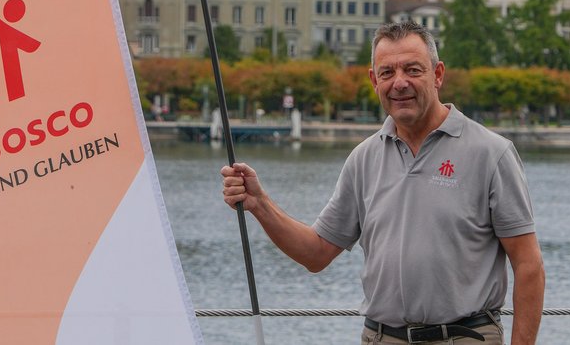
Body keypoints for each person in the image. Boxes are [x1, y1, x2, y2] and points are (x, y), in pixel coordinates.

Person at [221, 21, 545, 344]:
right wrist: (259, 204)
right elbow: (316, 254)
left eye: (413, 70)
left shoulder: (491, 153)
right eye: (387, 73)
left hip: (465, 337)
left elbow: (528, 265)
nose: (399, 83)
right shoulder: (363, 159)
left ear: (439, 74)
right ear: (374, 81)